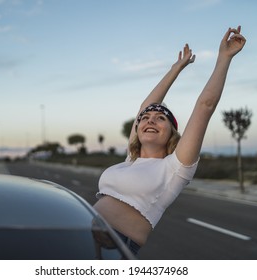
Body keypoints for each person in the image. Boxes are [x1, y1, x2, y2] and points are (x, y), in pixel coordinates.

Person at [93, 26, 246, 255]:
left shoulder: (175, 167)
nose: (150, 120)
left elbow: (205, 106)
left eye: (160, 118)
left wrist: (223, 58)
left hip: (114, 246)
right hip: (82, 232)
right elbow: (144, 108)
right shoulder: (130, 160)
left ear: (172, 132)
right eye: (146, 118)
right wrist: (176, 68)